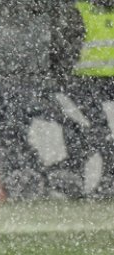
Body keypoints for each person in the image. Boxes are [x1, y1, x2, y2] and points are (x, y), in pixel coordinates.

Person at [48, 0, 114, 198]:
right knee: (94, 130)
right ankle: (88, 176)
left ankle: (80, 173)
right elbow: (61, 48)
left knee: (94, 131)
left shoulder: (77, 9)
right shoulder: (77, 9)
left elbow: (60, 48)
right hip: (84, 80)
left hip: (85, 79)